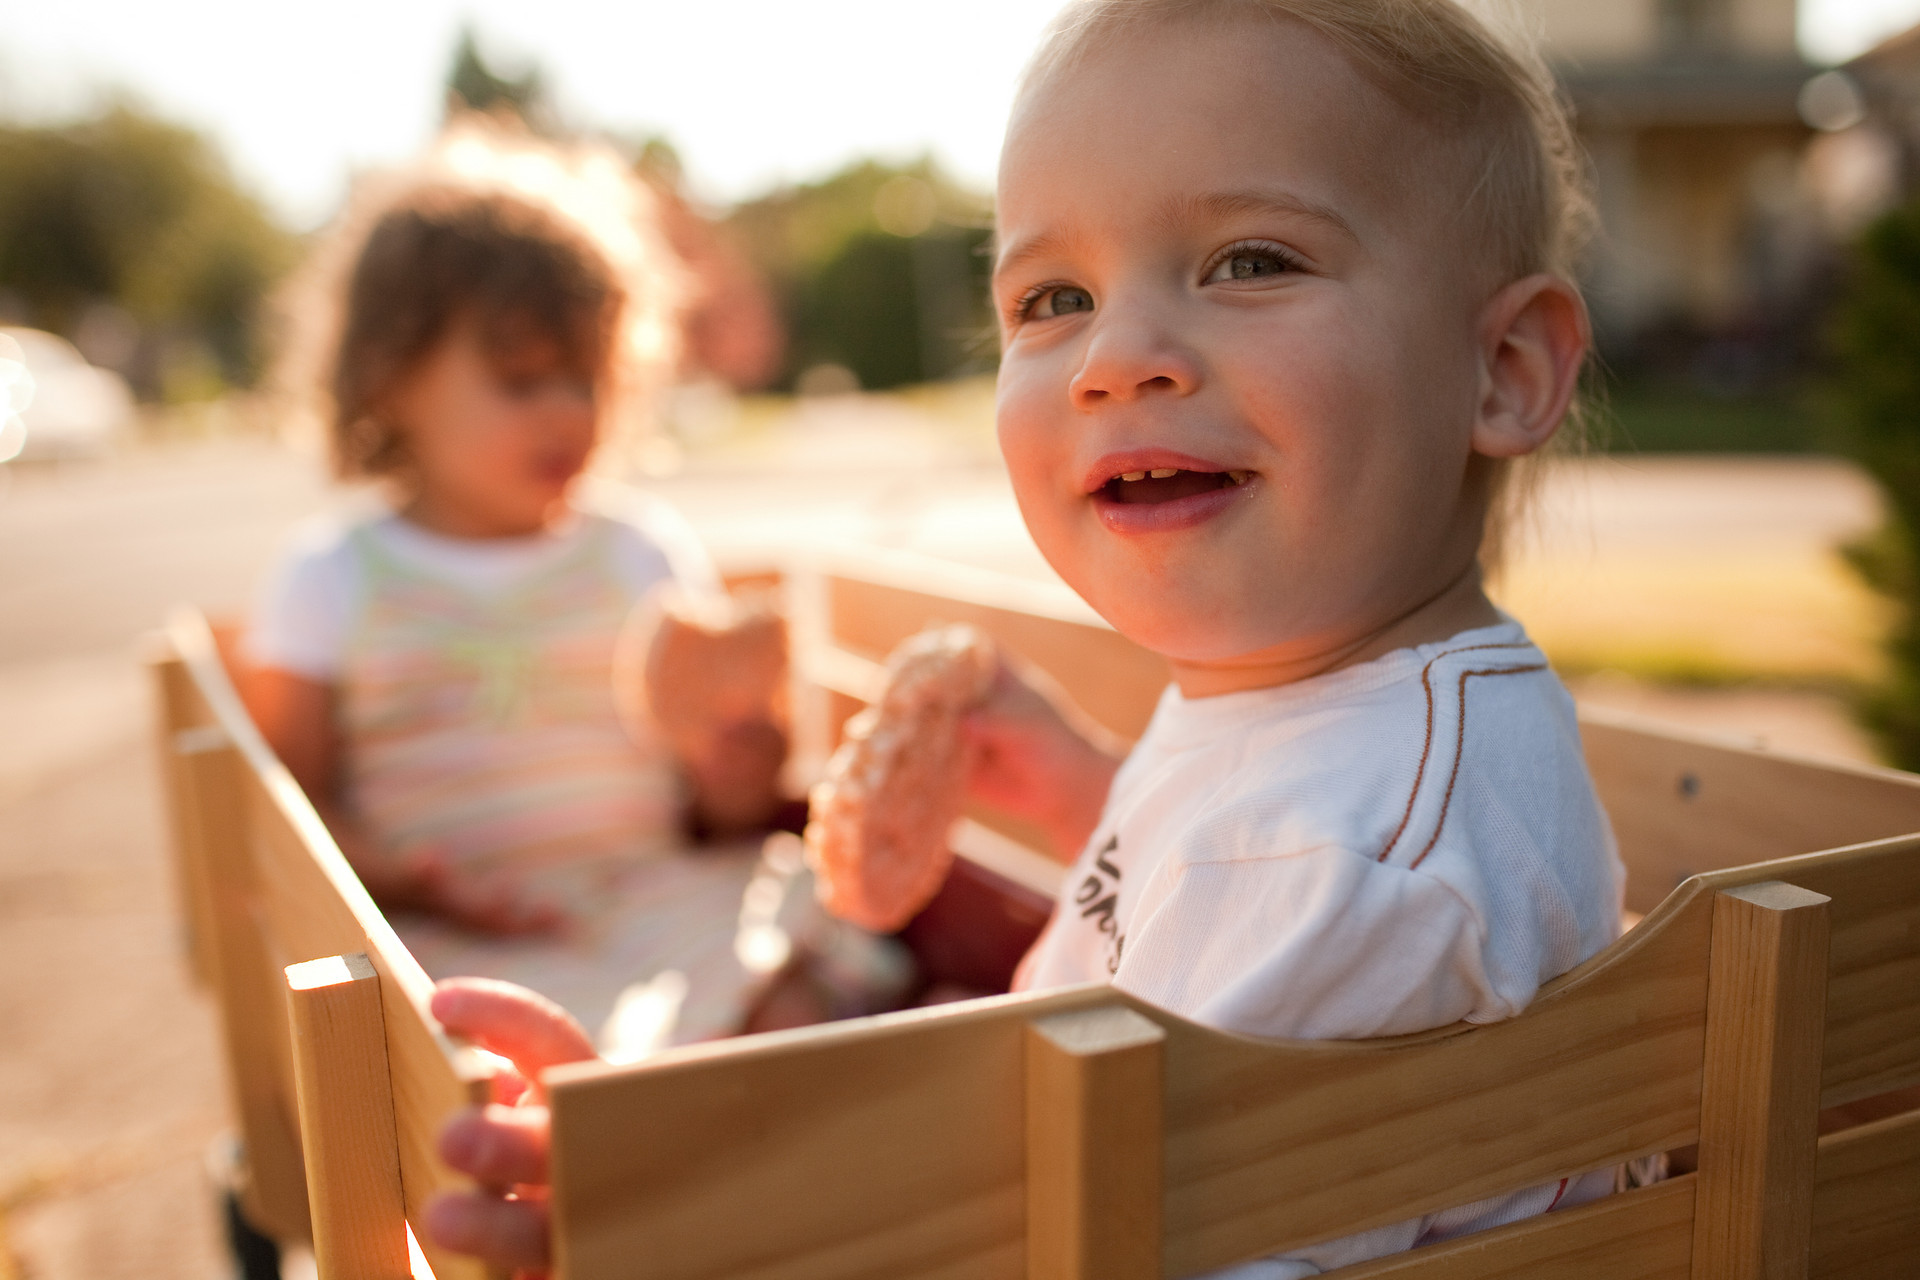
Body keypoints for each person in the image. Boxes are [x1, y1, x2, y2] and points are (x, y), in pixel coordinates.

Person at [423, 0, 1629, 1273]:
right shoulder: (1341, 723)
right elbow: (1217, 911)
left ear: (1500, 367)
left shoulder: (1342, 854)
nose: (1118, 357)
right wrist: (1082, 792)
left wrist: (688, 1204)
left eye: (1252, 261)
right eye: (1053, 297)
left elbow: (1095, 1223)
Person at [245, 119, 821, 1057]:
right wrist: (409, 878)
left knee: (784, 996)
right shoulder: (335, 576)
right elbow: (296, 812)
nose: (567, 410)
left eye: (588, 379)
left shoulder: (638, 552)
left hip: (650, 892)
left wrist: (734, 776)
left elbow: (712, 812)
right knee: (501, 1059)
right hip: (458, 929)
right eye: (521, 380)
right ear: (392, 380)